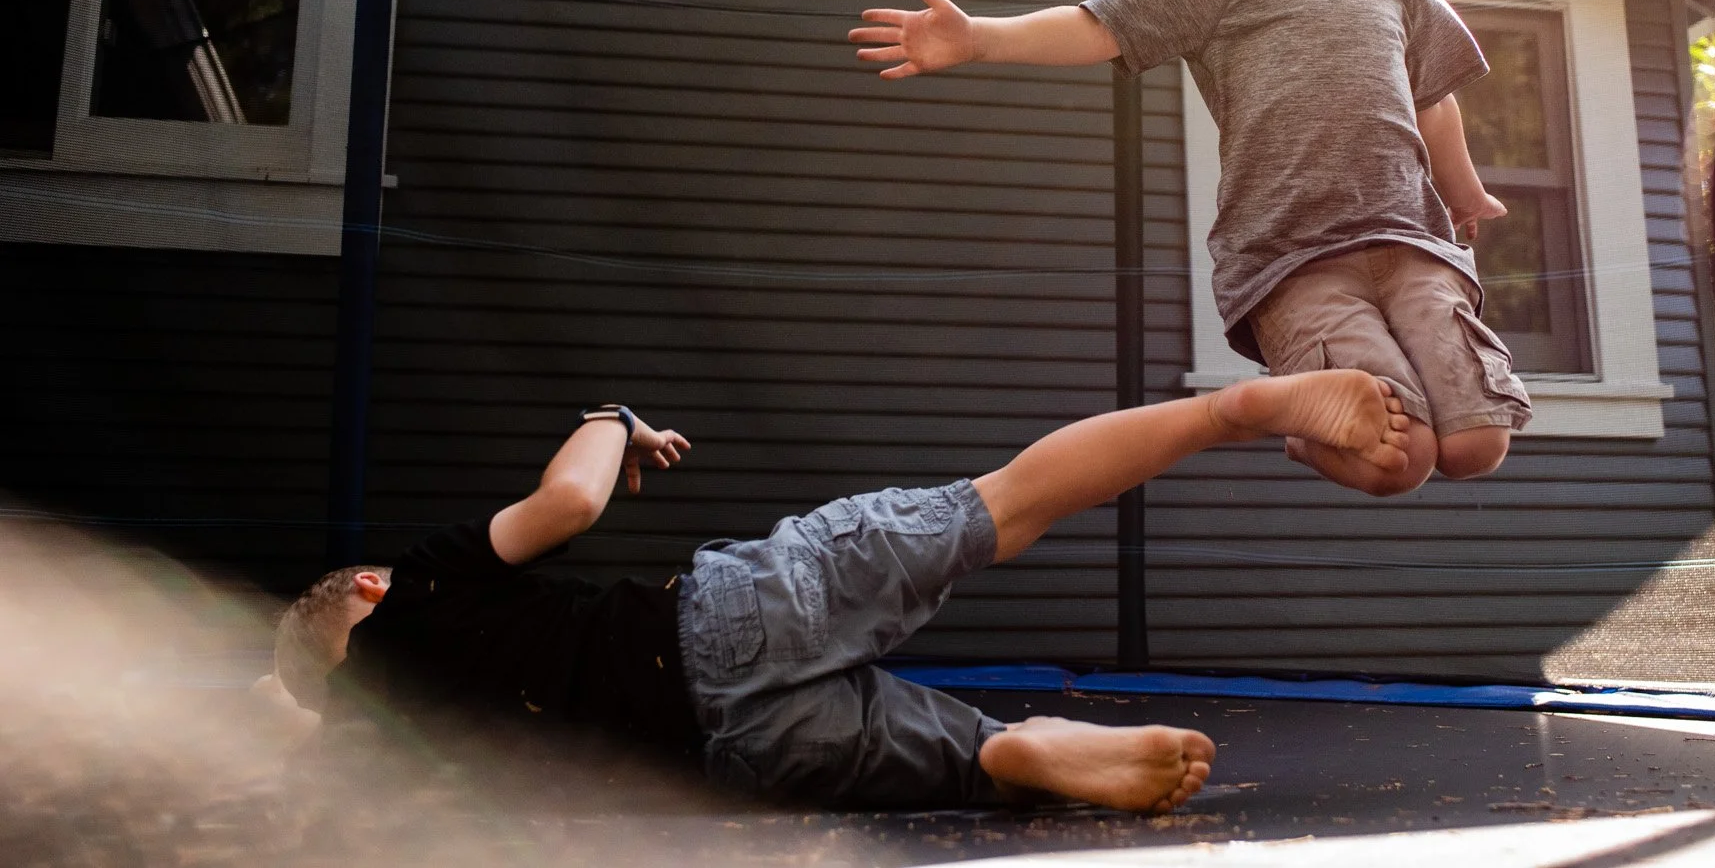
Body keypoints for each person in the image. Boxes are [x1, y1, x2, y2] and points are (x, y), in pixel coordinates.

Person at [848, 0, 1531, 498]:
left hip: (1410, 242)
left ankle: (1380, 410)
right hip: (1295, 261)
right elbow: (1100, 25)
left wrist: (1464, 190)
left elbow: (1434, 96)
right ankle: (1302, 426)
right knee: (1401, 458)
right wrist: (979, 38)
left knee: (1477, 442)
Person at [270, 371, 1407, 811]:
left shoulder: (402, 737)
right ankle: (1235, 412)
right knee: (1000, 505)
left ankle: (1014, 751)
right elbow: (567, 508)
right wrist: (604, 421)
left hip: (726, 755)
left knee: (956, 754)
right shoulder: (411, 585)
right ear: (364, 587)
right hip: (722, 615)